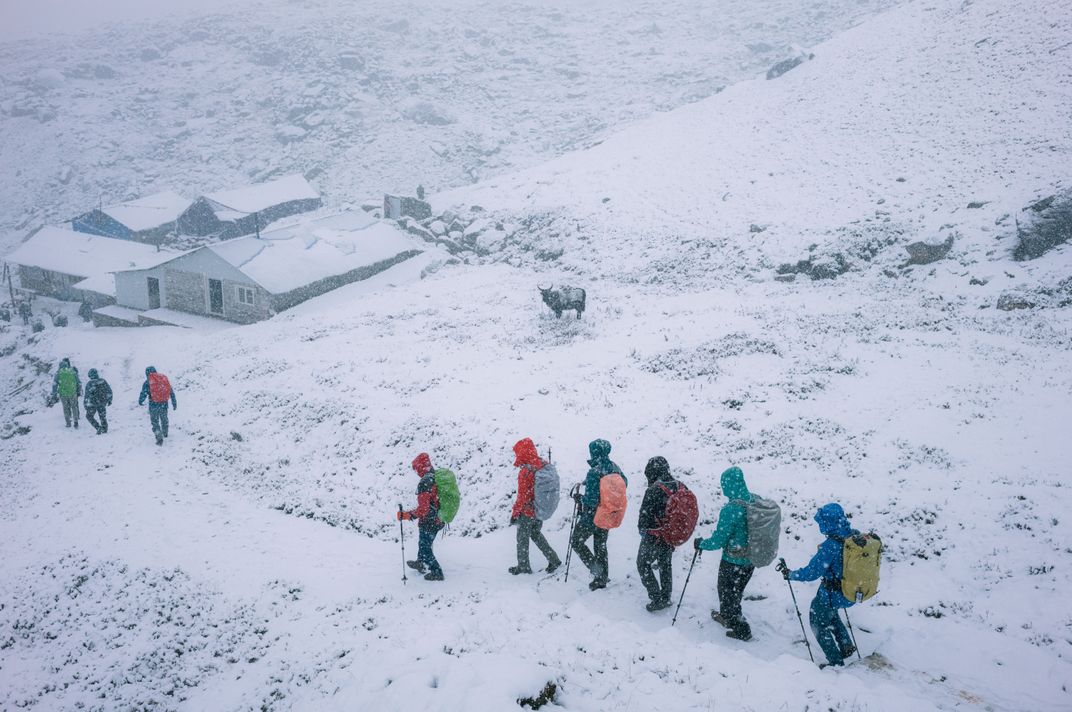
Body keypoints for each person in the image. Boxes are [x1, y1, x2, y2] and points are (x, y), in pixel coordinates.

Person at [777, 503, 859, 668]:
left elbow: (812, 572)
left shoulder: (831, 546)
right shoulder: (854, 537)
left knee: (817, 621)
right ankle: (846, 645)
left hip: (832, 592)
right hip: (850, 591)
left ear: (827, 522)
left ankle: (835, 662)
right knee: (830, 613)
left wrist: (791, 574)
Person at [694, 466, 756, 641]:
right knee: (736, 592)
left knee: (727, 594)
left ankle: (741, 629)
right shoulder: (754, 500)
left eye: (724, 486)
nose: (723, 490)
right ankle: (729, 615)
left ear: (729, 485)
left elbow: (718, 541)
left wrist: (702, 544)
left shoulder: (731, 509)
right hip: (750, 560)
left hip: (732, 561)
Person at [571, 438, 625, 591]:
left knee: (576, 542)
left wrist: (579, 498)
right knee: (600, 545)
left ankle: (598, 573)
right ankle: (602, 578)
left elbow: (591, 500)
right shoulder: (615, 468)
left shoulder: (594, 472)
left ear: (594, 452)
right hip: (608, 513)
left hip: (592, 516)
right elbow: (624, 483)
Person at [509, 438, 561, 575]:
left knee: (522, 539)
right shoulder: (542, 465)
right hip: (539, 509)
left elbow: (522, 497)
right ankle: (554, 559)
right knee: (536, 534)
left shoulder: (525, 471)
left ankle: (523, 567)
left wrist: (515, 513)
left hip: (527, 511)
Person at [637, 456, 678, 611]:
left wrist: (643, 532)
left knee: (642, 564)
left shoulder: (653, 490)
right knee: (665, 564)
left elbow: (643, 519)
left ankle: (656, 598)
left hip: (654, 536)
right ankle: (666, 597)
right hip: (672, 535)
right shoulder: (680, 486)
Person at [397, 452, 445, 581]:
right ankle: (421, 563)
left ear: (420, 466)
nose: (416, 471)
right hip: (438, 518)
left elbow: (423, 509)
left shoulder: (425, 482)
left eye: (416, 468)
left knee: (426, 547)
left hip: (430, 521)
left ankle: (437, 572)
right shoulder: (435, 476)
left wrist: (406, 515)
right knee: (423, 543)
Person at [138, 366, 177, 445]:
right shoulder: (163, 379)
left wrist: (140, 401)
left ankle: (158, 435)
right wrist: (174, 402)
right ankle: (165, 432)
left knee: (155, 422)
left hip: (153, 405)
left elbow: (143, 393)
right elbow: (170, 391)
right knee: (164, 419)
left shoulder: (147, 382)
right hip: (164, 403)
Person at [51, 358, 82, 428]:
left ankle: (68, 423)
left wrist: (54, 394)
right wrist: (78, 391)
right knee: (74, 407)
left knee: (65, 408)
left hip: (63, 394)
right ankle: (76, 421)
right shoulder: (72, 371)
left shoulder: (58, 372)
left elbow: (55, 384)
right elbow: (78, 382)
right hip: (73, 393)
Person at [83, 368, 113, 434]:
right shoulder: (103, 381)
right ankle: (104, 429)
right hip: (102, 402)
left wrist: (85, 404)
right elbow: (109, 391)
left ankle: (98, 427)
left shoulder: (89, 384)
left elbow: (87, 395)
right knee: (102, 416)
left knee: (89, 416)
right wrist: (109, 400)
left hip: (92, 404)